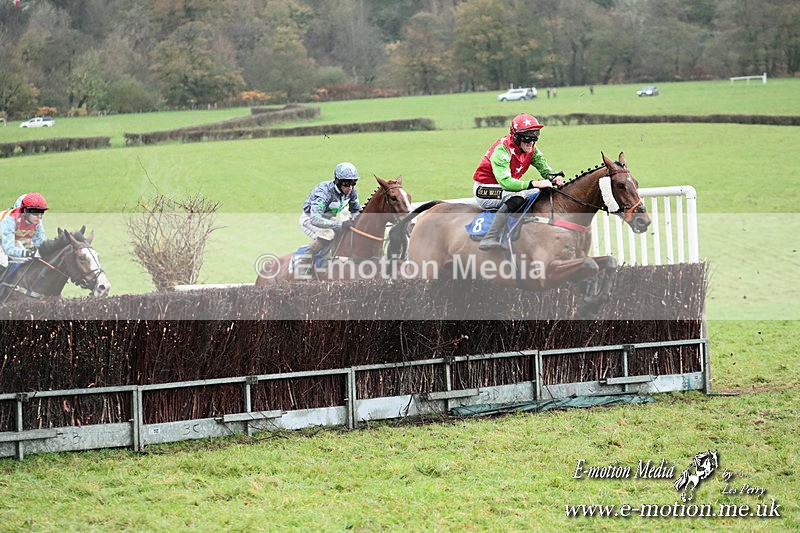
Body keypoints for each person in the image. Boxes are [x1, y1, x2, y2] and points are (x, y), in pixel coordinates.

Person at [472, 113, 565, 251]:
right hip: (485, 189)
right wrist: (534, 183)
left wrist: (554, 178)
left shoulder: (531, 149)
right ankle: (490, 237)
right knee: (517, 198)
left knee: (542, 192)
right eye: (528, 137)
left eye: (535, 136)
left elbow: (545, 169)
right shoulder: (501, 150)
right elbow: (506, 184)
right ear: (516, 136)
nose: (531, 141)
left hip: (506, 187)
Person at [296, 162, 363, 274]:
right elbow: (315, 219)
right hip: (310, 219)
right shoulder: (323, 191)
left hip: (327, 219)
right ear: (338, 181)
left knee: (346, 230)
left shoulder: (351, 191)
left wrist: (356, 223)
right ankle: (304, 263)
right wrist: (340, 225)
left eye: (353, 183)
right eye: (347, 184)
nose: (350, 188)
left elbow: (356, 210)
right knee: (328, 233)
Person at [1, 192, 48, 271]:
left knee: (26, 261)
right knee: (3, 262)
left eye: (41, 213)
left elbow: (41, 244)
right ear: (25, 211)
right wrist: (29, 253)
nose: (39, 217)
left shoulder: (37, 222)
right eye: (36, 213)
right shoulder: (10, 220)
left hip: (6, 238)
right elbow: (9, 249)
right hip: (4, 240)